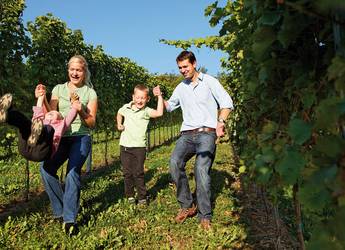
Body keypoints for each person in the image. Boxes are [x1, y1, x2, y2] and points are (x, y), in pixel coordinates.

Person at [156, 51, 233, 230]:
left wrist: (220, 122)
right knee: (175, 163)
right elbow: (169, 106)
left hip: (207, 133)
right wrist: (159, 96)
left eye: (185, 66)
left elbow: (227, 102)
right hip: (187, 135)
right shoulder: (180, 87)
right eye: (180, 68)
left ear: (194, 63)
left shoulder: (209, 81)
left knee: (200, 169)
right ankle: (187, 205)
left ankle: (205, 214)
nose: (183, 70)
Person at [37, 55, 98, 235]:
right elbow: (51, 114)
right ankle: (60, 210)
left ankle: (69, 219)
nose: (75, 73)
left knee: (72, 173)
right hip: (60, 136)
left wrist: (80, 111)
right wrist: (44, 98)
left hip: (81, 137)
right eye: (72, 69)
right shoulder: (58, 89)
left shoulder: (90, 93)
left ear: (84, 71)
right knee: (46, 168)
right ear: (68, 70)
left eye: (78, 70)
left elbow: (92, 122)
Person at [116, 84, 163, 206]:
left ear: (147, 99)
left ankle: (142, 197)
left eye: (143, 98)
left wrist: (159, 97)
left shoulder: (146, 111)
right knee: (127, 173)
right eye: (138, 97)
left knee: (138, 173)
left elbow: (159, 113)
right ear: (133, 97)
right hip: (125, 146)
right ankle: (130, 195)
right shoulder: (126, 108)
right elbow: (119, 113)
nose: (140, 100)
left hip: (139, 147)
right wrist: (119, 124)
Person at [0, 91, 81, 162]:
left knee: (48, 129)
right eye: (49, 113)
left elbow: (70, 116)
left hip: (42, 151)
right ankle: (7, 114)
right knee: (25, 124)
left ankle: (37, 133)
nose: (50, 113)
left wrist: (75, 104)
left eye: (53, 113)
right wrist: (41, 97)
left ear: (60, 119)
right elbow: (38, 110)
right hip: (25, 148)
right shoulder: (40, 121)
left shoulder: (61, 124)